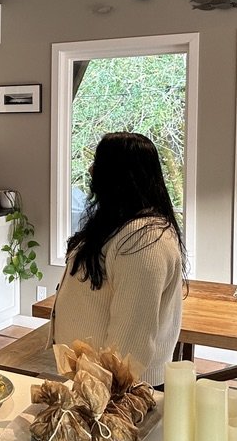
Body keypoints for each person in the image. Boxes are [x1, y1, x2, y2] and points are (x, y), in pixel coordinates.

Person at [51, 132, 186, 387]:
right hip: (89, 378)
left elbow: (130, 343)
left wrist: (102, 394)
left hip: (120, 391)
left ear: (118, 176)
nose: (91, 170)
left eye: (98, 164)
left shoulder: (145, 241)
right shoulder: (120, 224)